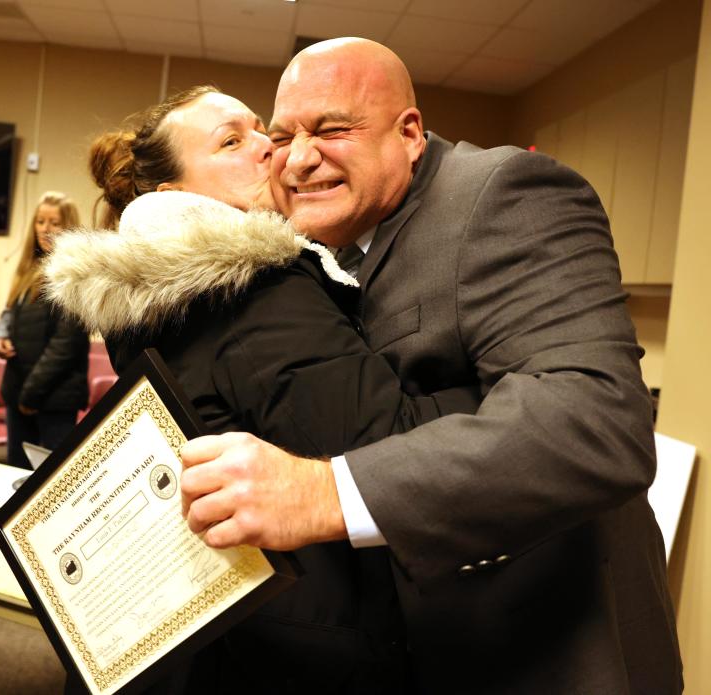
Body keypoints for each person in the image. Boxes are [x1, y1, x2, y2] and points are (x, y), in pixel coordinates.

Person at [177, 38, 682, 693]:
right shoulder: (311, 246)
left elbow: (597, 420)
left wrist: (326, 492)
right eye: (283, 137)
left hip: (544, 656)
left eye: (333, 129)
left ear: (410, 133)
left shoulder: (502, 191)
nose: (300, 158)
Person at [46, 86, 478, 693]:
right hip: (302, 634)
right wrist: (502, 386)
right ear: (172, 196)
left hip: (221, 617)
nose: (269, 148)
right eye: (231, 141)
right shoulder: (252, 289)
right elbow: (387, 442)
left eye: (258, 128)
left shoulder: (160, 295)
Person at [0, 191, 90, 469]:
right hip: (20, 391)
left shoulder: (76, 272)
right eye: (40, 221)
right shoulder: (28, 268)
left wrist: (30, 395)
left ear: (68, 227)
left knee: (54, 479)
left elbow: (65, 344)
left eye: (55, 223)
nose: (46, 229)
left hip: (54, 398)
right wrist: (1, 336)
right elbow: (9, 312)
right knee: (15, 474)